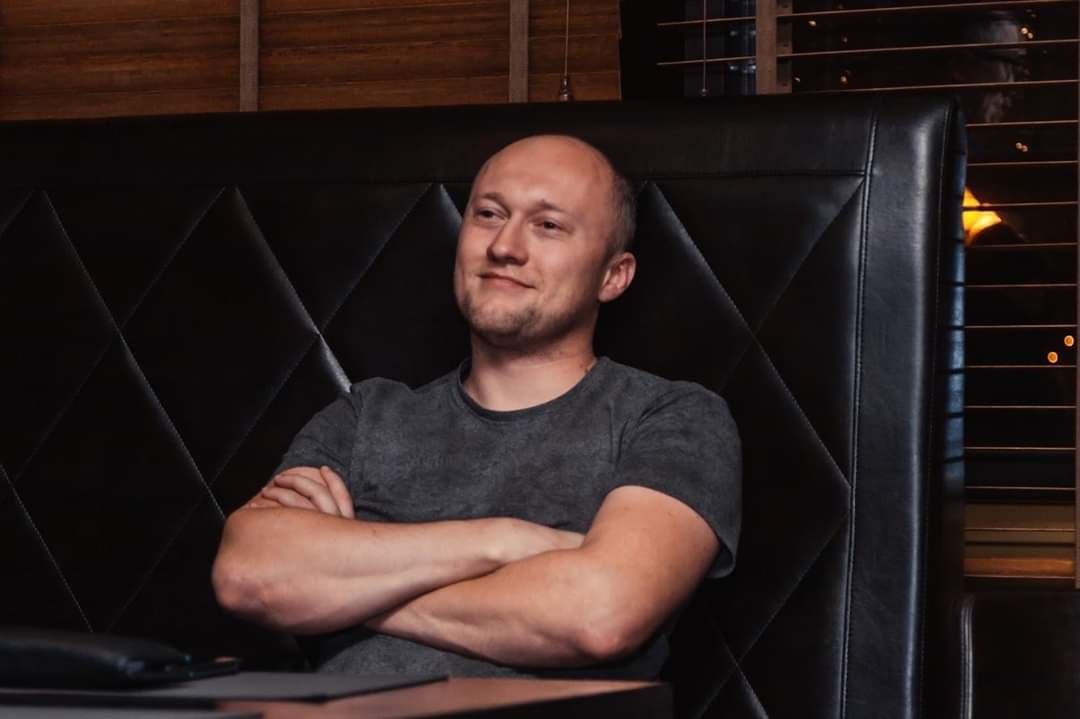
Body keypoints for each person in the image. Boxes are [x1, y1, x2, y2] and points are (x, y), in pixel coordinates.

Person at [212, 134, 741, 679]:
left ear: (612, 276)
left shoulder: (673, 418)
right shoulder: (366, 415)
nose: (505, 246)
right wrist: (505, 541)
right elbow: (247, 573)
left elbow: (599, 615)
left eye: (548, 225)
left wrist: (340, 592)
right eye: (489, 214)